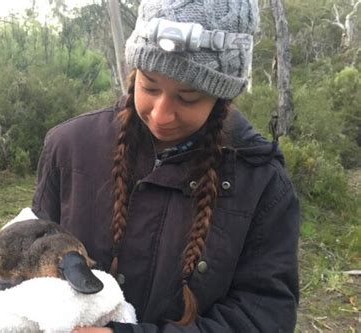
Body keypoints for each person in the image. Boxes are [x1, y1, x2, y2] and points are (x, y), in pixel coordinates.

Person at [31, 0, 300, 332]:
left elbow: (264, 316)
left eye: (188, 98)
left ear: (222, 97)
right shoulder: (69, 146)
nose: (160, 115)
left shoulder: (261, 183)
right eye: (149, 86)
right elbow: (31, 259)